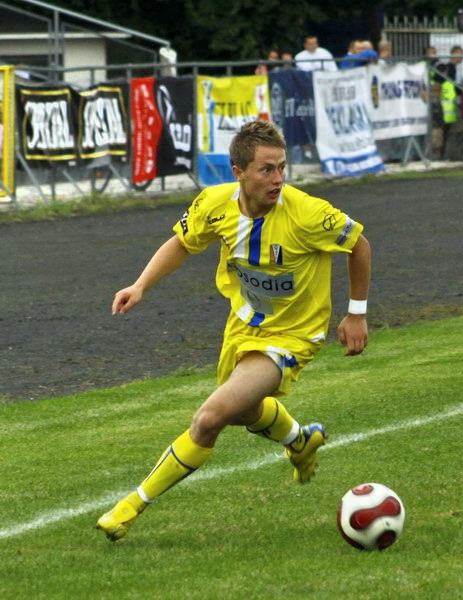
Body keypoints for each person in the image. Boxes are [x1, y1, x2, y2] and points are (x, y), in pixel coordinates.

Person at [95, 120, 372, 541]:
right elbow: (183, 243)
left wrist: (356, 313)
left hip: (293, 336)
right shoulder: (215, 204)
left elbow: (359, 244)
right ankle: (299, 440)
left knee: (209, 418)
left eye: (282, 167)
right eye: (266, 170)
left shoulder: (308, 213)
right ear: (237, 171)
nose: (278, 179)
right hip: (242, 328)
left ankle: (131, 505)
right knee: (243, 410)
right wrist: (140, 284)